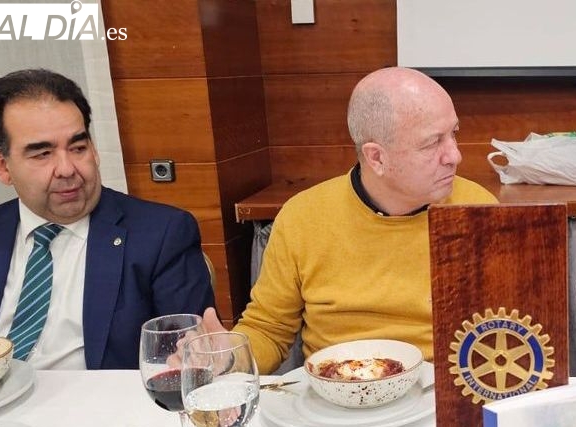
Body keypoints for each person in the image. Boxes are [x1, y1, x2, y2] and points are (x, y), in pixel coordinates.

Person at [200, 67, 497, 373]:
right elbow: (268, 329)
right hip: (334, 388)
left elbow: (506, 326)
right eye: (432, 143)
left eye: (453, 133)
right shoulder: (304, 217)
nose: (454, 156)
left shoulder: (479, 210)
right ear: (376, 157)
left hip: (441, 388)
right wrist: (228, 357)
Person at [0, 68, 214, 370]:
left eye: (78, 148)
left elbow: (192, 360)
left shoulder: (161, 234)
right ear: (2, 165)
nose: (67, 169)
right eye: (43, 154)